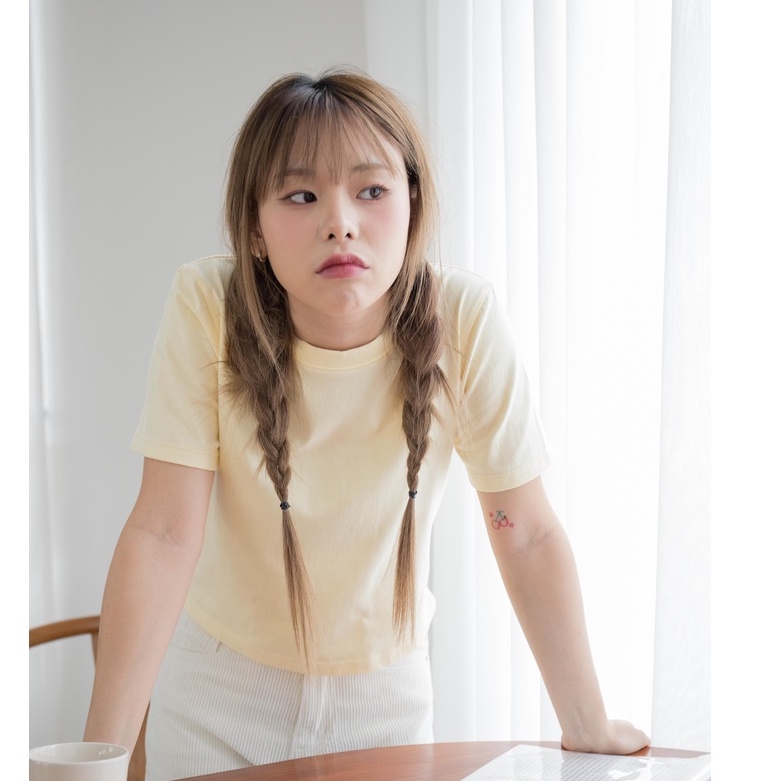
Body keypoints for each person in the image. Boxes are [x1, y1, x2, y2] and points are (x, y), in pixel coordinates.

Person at [83, 68, 649, 779]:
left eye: (371, 191)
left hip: (384, 705)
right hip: (218, 695)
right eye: (301, 195)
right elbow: (164, 532)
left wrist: (585, 722)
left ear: (412, 203)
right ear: (254, 228)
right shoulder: (209, 306)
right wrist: (94, 762)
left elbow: (525, 530)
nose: (340, 222)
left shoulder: (463, 318)